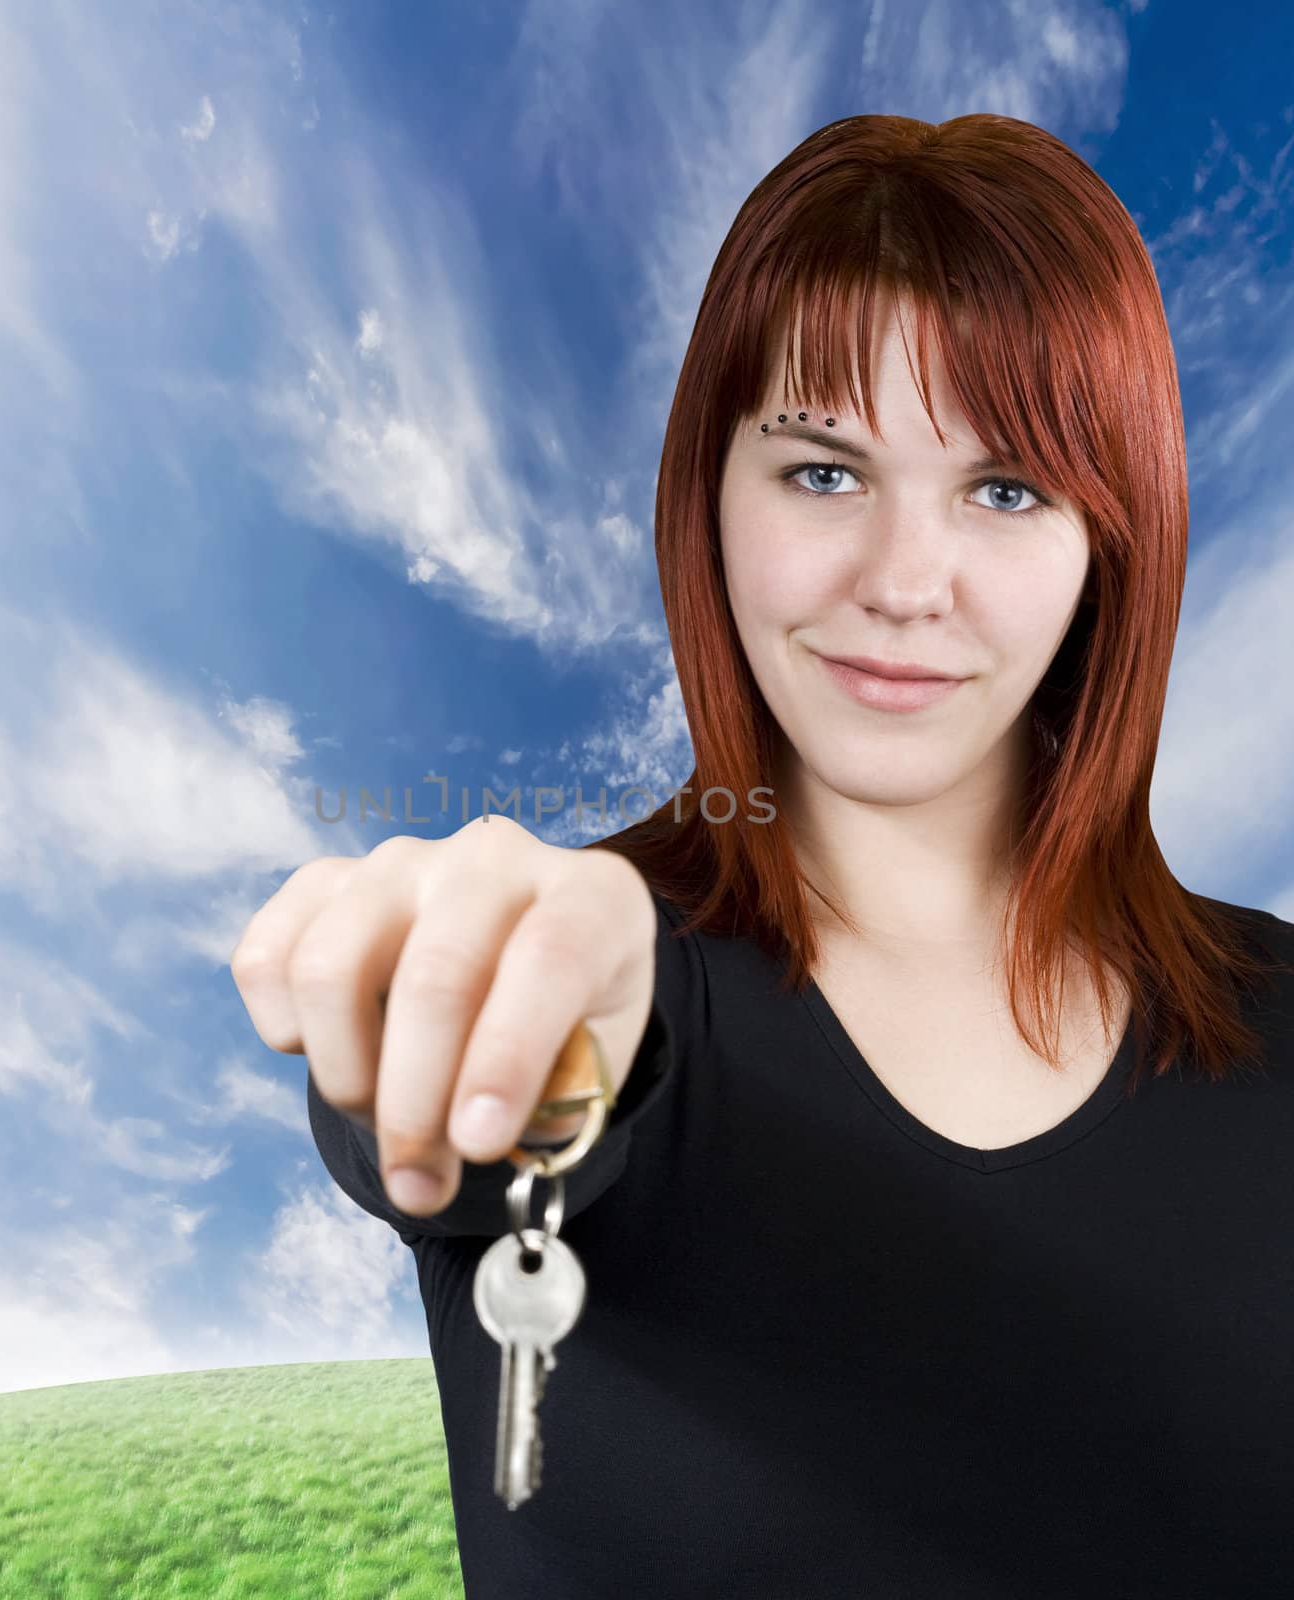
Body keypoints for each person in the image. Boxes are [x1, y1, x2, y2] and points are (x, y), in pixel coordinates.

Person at [236, 113, 1294, 1597]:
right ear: (708, 498)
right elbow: (499, 1091)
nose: (905, 585)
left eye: (1006, 491)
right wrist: (495, 997)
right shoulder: (607, 978)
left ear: (1113, 542)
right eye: (822, 472)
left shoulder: (1281, 1020)